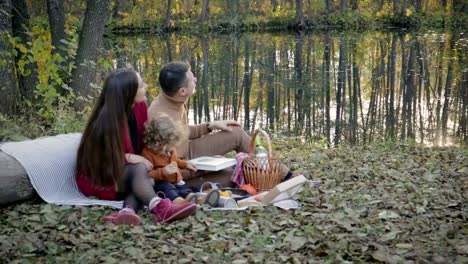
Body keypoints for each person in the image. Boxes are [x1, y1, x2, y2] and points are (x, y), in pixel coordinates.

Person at [75, 68, 197, 225]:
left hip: (129, 175)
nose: (145, 87)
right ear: (128, 93)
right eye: (140, 86)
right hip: (103, 178)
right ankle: (160, 208)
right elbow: (99, 159)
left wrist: (165, 153)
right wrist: (128, 156)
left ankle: (127, 212)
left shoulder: (140, 108)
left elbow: (146, 139)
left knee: (147, 178)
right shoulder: (105, 122)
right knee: (140, 169)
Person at [148, 61, 296, 183]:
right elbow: (166, 165)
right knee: (234, 173)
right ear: (182, 91)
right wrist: (209, 165)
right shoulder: (160, 117)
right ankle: (268, 176)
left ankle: (284, 174)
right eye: (192, 79)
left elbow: (183, 131)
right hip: (179, 167)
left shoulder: (174, 99)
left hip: (188, 150)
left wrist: (210, 126)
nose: (195, 80)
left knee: (235, 132)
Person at [141, 115, 220, 206]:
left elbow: (175, 161)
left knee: (184, 189)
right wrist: (162, 172)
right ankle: (180, 203)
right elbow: (145, 175)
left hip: (177, 182)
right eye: (170, 145)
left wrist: (185, 164)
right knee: (169, 189)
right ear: (159, 143)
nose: (173, 148)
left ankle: (195, 199)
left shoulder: (170, 150)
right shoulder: (148, 154)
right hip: (161, 184)